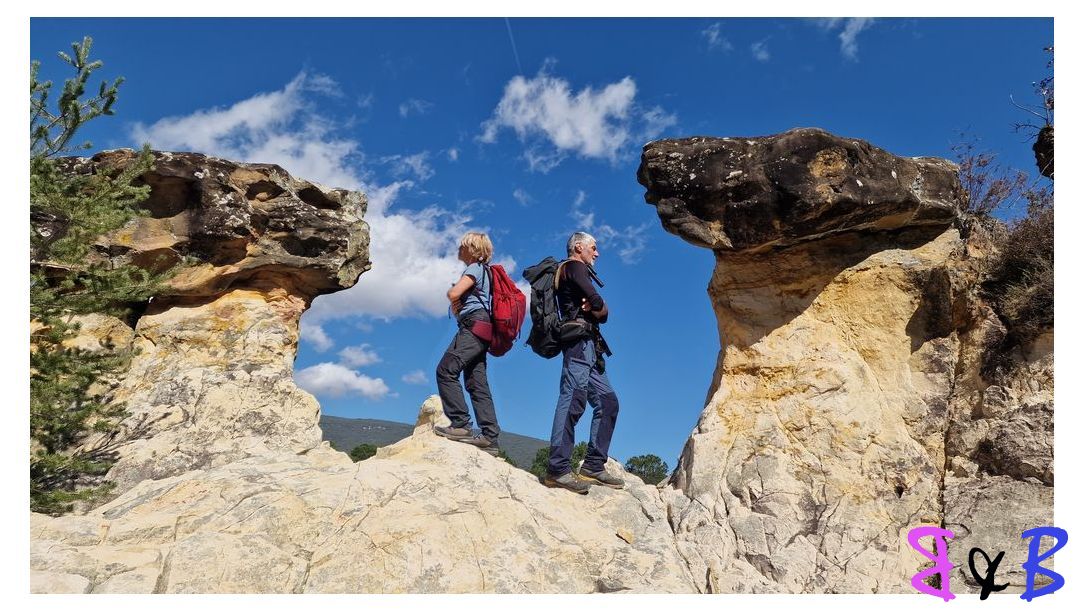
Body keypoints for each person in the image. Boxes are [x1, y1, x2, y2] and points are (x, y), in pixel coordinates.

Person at [542, 232, 624, 494]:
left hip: (589, 346)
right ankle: (557, 469)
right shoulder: (574, 266)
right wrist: (598, 307)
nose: (597, 253)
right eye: (594, 248)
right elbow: (599, 304)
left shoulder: (577, 270)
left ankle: (593, 465)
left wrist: (599, 309)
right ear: (579, 247)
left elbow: (603, 313)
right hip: (578, 344)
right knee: (573, 399)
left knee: (608, 402)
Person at [433, 232, 501, 455]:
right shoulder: (488, 272)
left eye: (462, 247)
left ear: (473, 248)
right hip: (484, 330)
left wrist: (454, 298)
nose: (459, 250)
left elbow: (454, 292)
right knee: (476, 382)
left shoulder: (474, 268)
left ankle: (461, 424)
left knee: (445, 370)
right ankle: (490, 438)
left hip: (473, 326)